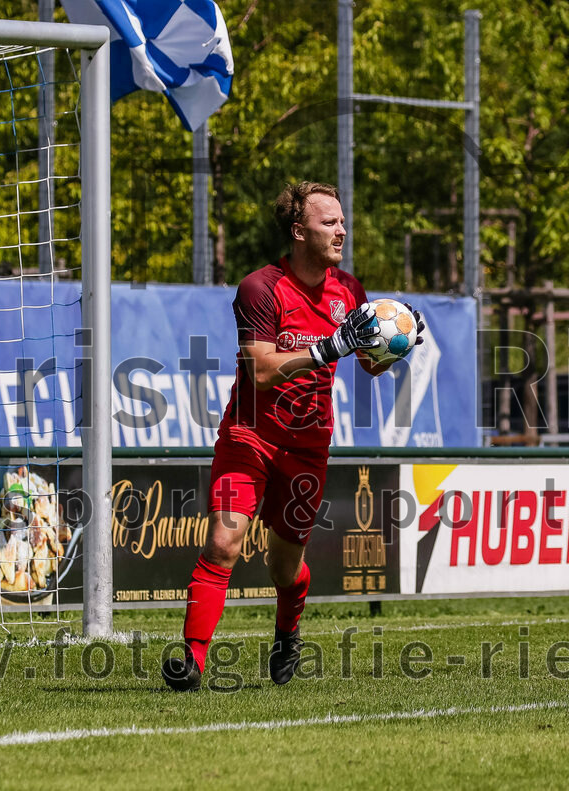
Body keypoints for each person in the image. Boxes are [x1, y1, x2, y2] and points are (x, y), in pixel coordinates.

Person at [162, 181, 425, 691]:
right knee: (223, 542)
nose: (342, 231)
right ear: (298, 231)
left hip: (308, 448)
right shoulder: (260, 287)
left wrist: (401, 340)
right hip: (250, 438)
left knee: (284, 568)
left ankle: (287, 631)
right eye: (330, 222)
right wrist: (329, 348)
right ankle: (191, 661)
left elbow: (370, 364)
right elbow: (259, 371)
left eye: (343, 222)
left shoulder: (349, 291)